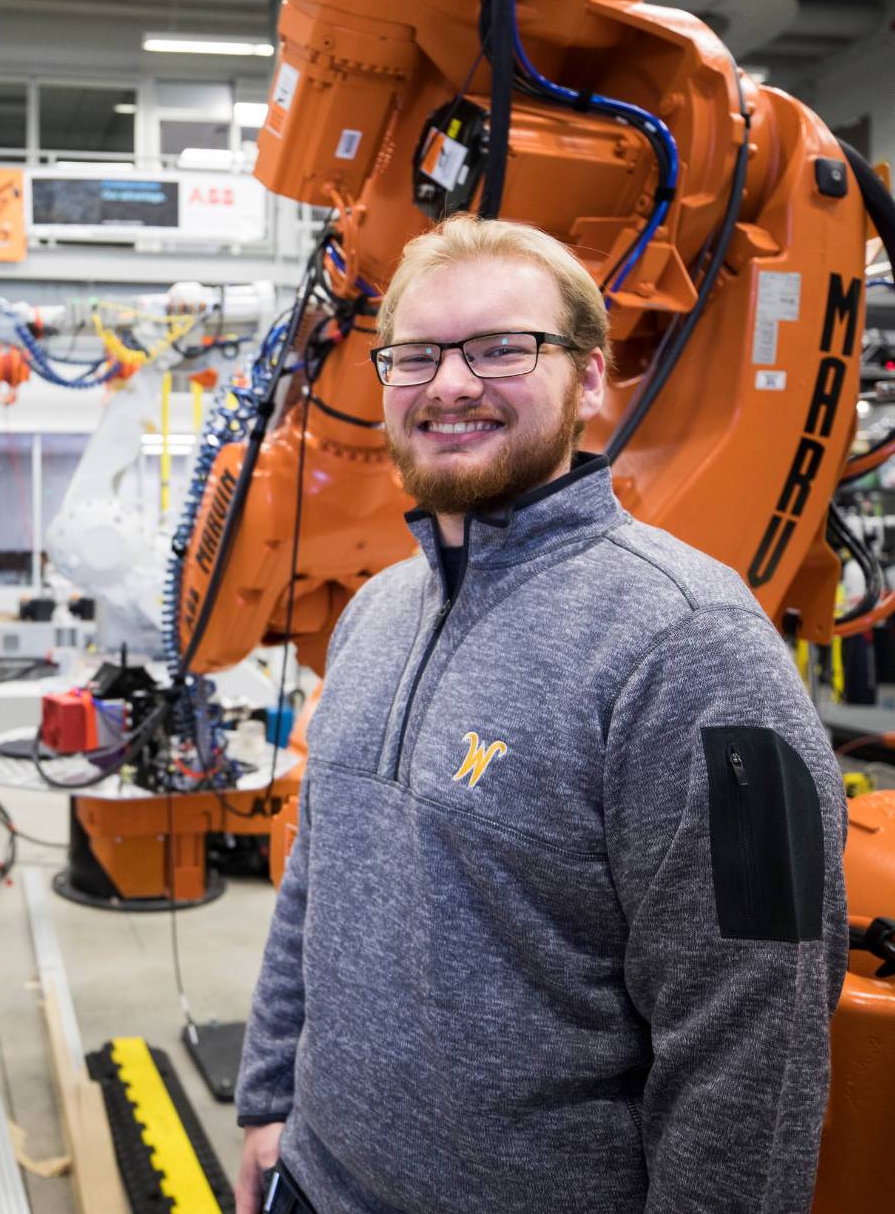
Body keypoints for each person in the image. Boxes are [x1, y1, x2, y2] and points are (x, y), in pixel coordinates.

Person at [235, 216, 848, 1213]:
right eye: (417, 354)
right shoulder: (375, 612)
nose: (449, 384)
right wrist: (267, 1105)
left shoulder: (689, 645)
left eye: (500, 348)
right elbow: (317, 878)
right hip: (312, 1179)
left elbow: (752, 1032)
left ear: (591, 379)